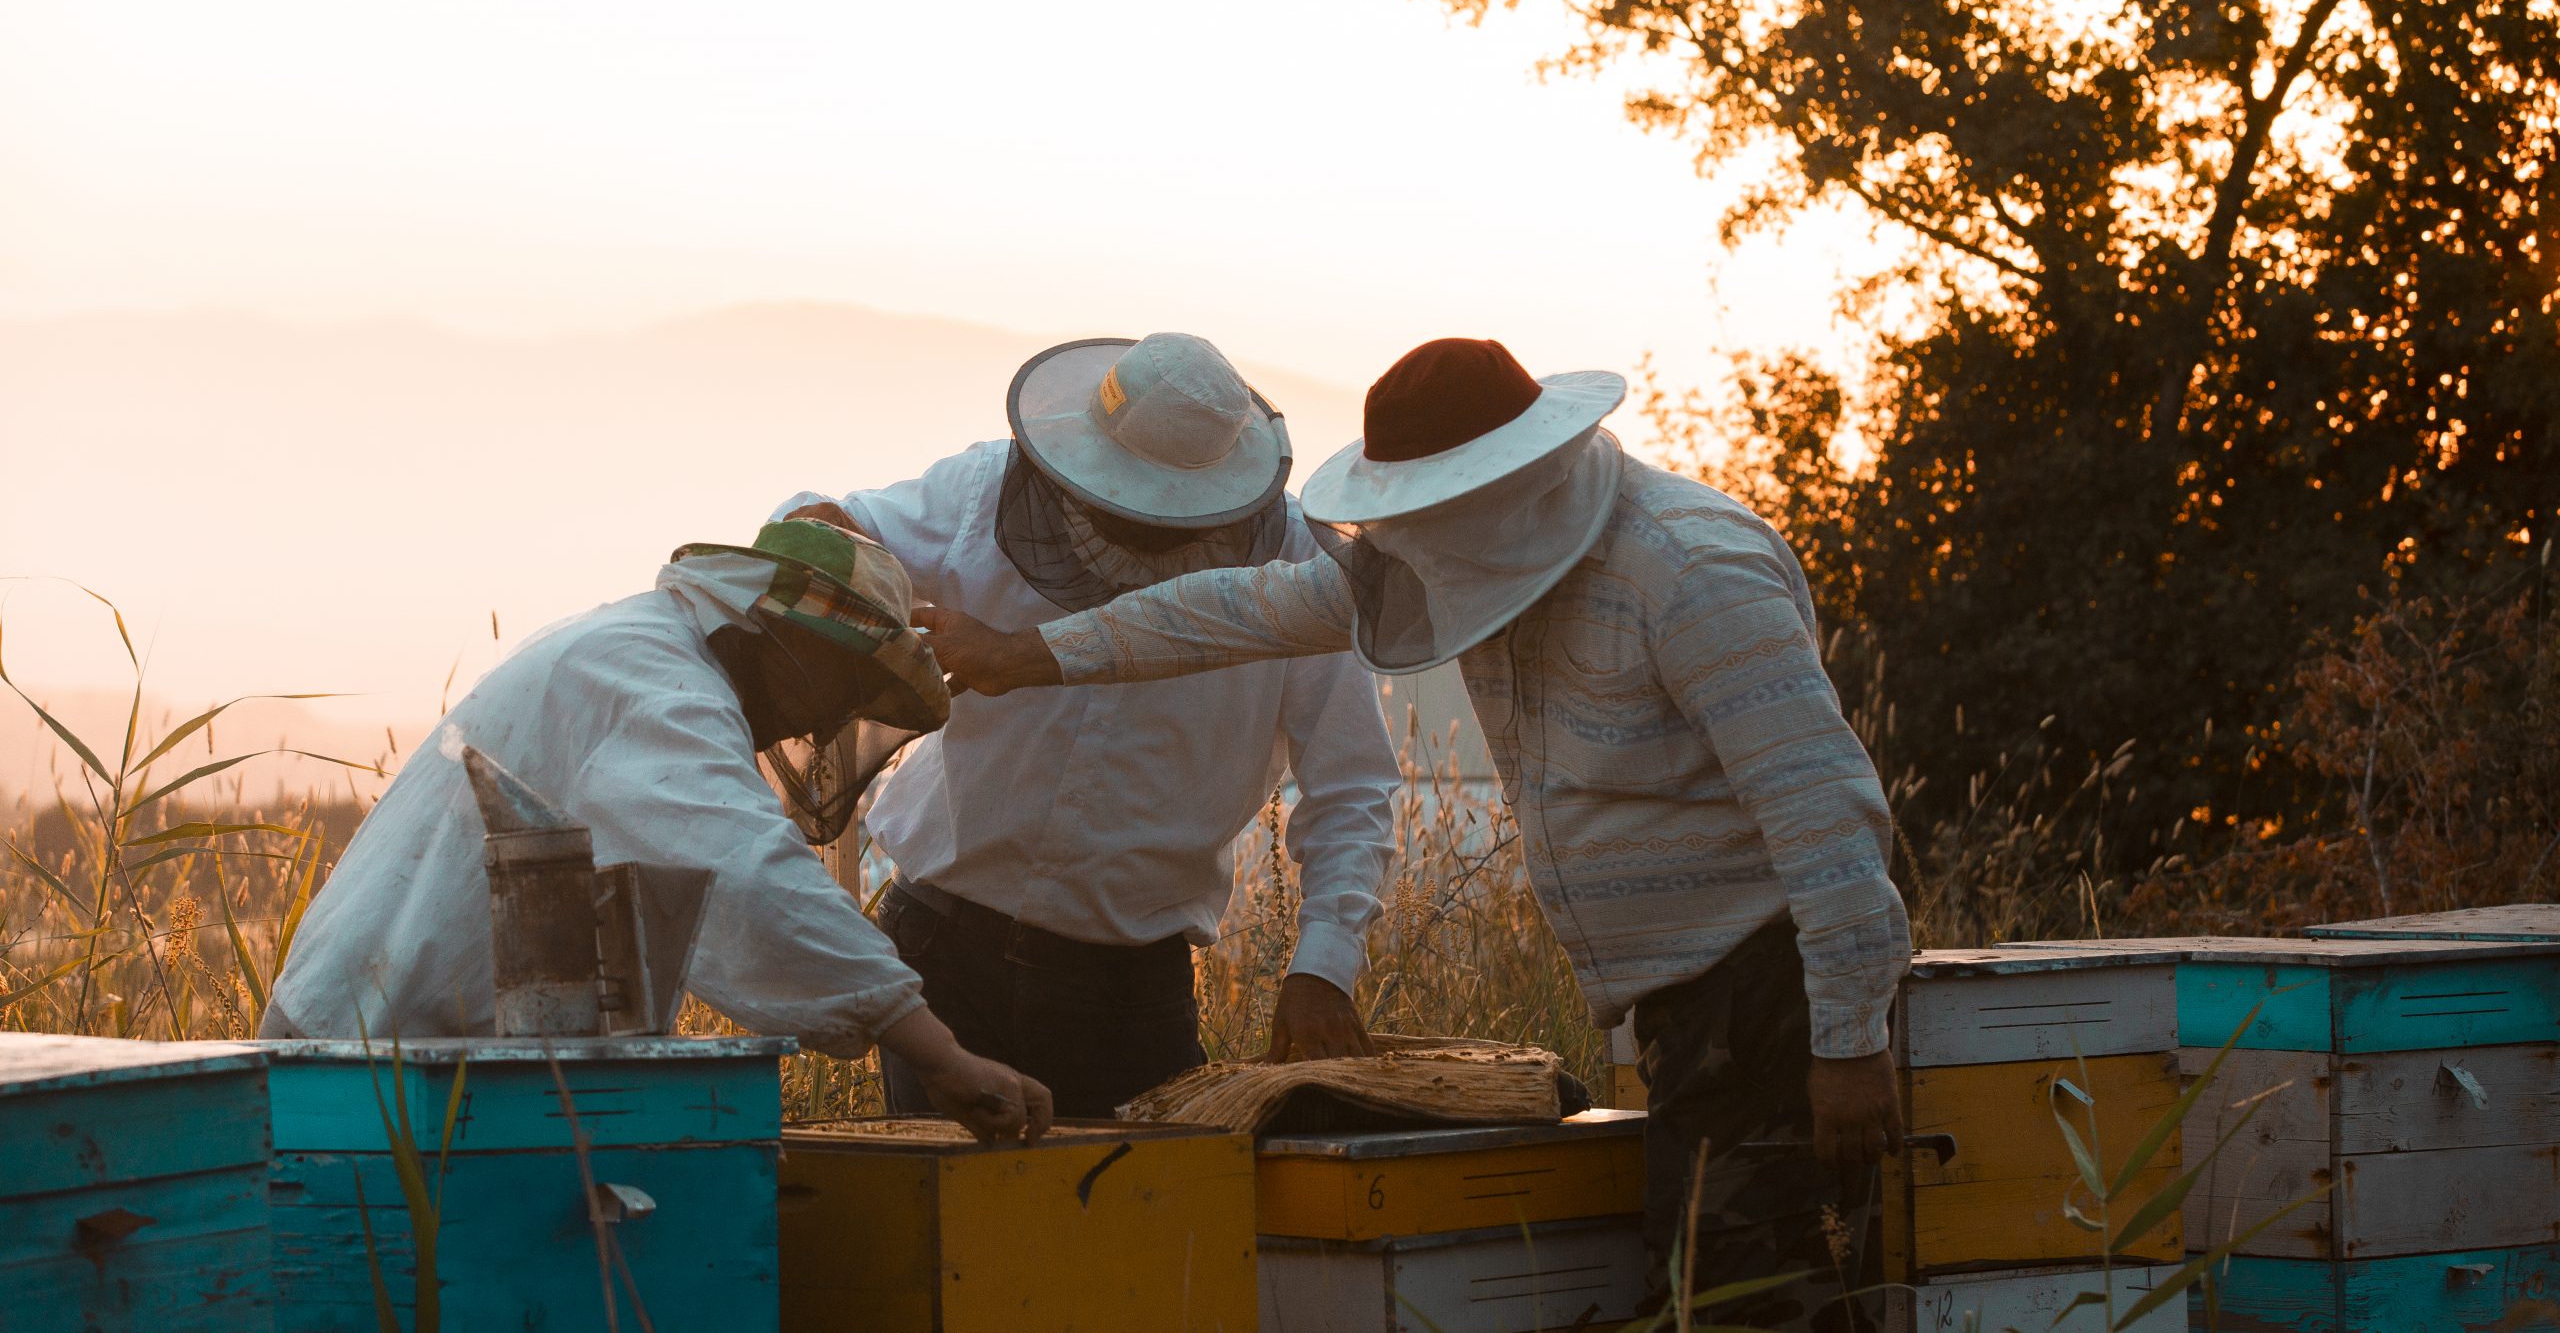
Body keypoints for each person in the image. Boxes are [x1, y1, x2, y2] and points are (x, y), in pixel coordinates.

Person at [923, 337, 1913, 1326]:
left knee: (1745, 1304)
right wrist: (1030, 654)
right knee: (1718, 1292)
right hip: (1695, 1008)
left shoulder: (1692, 570)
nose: (1414, 539)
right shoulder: (1462, 552)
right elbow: (1236, 608)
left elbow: (1825, 814)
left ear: (1510, 481)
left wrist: (1847, 1041)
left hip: (1767, 992)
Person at [262, 517, 1052, 1144]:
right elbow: (749, 873)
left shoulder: (637, 647)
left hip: (399, 1052)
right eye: (840, 690)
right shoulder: (656, 688)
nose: (823, 724)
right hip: (364, 1067)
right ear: (792, 643)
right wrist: (940, 1055)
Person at [774, 331, 1399, 1119]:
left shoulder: (1304, 569)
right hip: (942, 949)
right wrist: (833, 545)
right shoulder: (984, 490)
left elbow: (1352, 785)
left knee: (1135, 1203)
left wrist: (1323, 966)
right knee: (945, 1199)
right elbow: (824, 527)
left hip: (1127, 996)